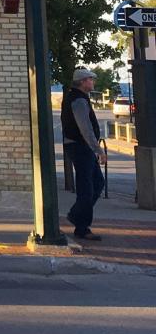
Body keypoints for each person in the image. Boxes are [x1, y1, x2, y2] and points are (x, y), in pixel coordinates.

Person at [62, 67, 106, 241]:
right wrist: (98, 149)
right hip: (80, 147)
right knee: (87, 187)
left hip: (81, 146)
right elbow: (85, 128)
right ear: (82, 82)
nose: (92, 82)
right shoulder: (78, 100)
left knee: (97, 183)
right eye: (90, 79)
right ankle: (82, 226)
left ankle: (76, 215)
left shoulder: (79, 98)